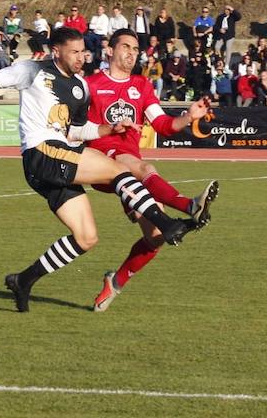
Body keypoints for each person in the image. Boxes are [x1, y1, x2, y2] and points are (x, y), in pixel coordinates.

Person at [0, 27, 201, 312]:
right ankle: (166, 224)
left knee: (86, 238)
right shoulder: (32, 70)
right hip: (42, 153)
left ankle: (23, 280)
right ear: (57, 52)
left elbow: (77, 130)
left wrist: (108, 128)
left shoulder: (80, 86)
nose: (81, 57)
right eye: (74, 52)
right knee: (118, 171)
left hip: (54, 162)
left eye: (83, 52)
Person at [85, 29, 217, 312]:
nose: (132, 53)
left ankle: (115, 283)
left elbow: (162, 125)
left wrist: (187, 117)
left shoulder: (142, 85)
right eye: (126, 47)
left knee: (155, 236)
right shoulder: (90, 84)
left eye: (136, 48)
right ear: (109, 50)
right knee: (144, 166)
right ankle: (189, 205)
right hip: (101, 160)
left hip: (128, 170)